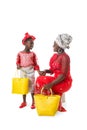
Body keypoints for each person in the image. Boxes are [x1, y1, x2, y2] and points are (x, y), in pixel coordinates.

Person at [35, 33, 73, 112]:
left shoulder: (65, 57)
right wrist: (46, 71)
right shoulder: (56, 56)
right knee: (40, 79)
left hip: (64, 81)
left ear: (59, 46)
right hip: (56, 79)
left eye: (54, 44)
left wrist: (51, 84)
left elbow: (63, 75)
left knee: (41, 81)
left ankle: (50, 103)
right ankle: (48, 103)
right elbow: (53, 69)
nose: (53, 46)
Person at [16, 32, 42, 109]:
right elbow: (18, 61)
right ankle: (24, 101)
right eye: (31, 43)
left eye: (33, 43)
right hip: (23, 71)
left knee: (32, 87)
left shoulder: (33, 54)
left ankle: (33, 102)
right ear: (25, 43)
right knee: (23, 86)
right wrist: (17, 65)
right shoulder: (19, 53)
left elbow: (35, 64)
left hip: (31, 71)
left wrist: (38, 71)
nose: (32, 45)